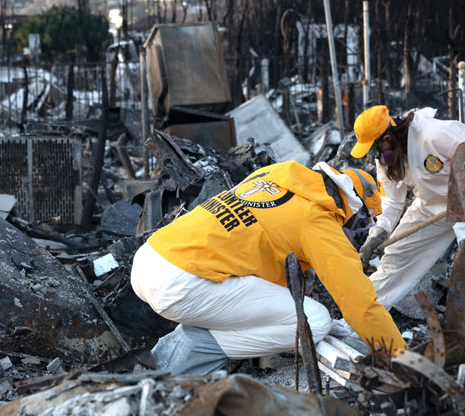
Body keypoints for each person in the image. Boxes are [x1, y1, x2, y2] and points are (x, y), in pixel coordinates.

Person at [130, 160, 405, 375]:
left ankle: (190, 340)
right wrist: (398, 355)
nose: (356, 231)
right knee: (315, 322)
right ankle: (192, 350)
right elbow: (360, 303)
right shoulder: (318, 222)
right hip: (181, 284)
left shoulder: (275, 175)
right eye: (361, 223)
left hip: (149, 258)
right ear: (350, 206)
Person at [351, 105, 465, 309]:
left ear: (387, 138)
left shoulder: (435, 134)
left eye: (375, 149)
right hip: (429, 207)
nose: (374, 156)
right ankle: (361, 314)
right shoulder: (386, 160)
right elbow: (393, 202)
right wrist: (379, 233)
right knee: (396, 256)